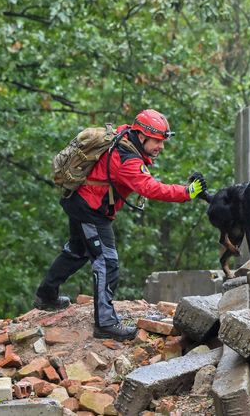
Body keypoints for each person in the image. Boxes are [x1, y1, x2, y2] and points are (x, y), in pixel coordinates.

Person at [34, 109, 206, 340]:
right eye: (157, 141)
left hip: (78, 200)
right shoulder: (127, 159)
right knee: (107, 261)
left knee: (76, 251)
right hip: (91, 209)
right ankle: (105, 323)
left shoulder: (123, 135)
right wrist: (187, 192)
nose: (161, 147)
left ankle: (46, 296)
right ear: (142, 136)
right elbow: (151, 188)